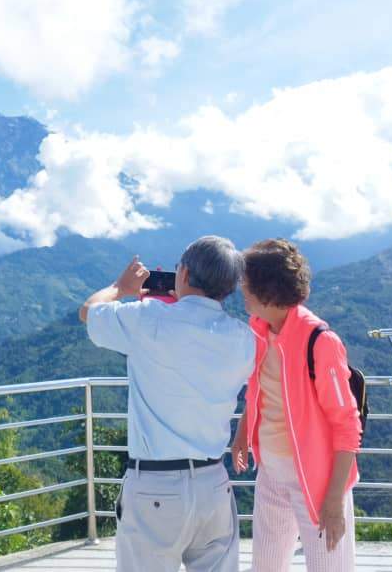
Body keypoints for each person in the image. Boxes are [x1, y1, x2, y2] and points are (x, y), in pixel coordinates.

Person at [79, 236, 255, 572]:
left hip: (154, 488)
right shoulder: (243, 338)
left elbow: (89, 313)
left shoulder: (148, 319)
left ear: (184, 273)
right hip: (213, 484)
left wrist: (120, 286)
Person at [230, 239, 361, 572]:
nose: (240, 288)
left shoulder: (320, 341)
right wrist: (243, 433)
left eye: (246, 282)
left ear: (267, 290)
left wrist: (333, 503)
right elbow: (258, 390)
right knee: (267, 567)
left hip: (316, 481)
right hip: (271, 474)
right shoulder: (260, 329)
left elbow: (347, 425)